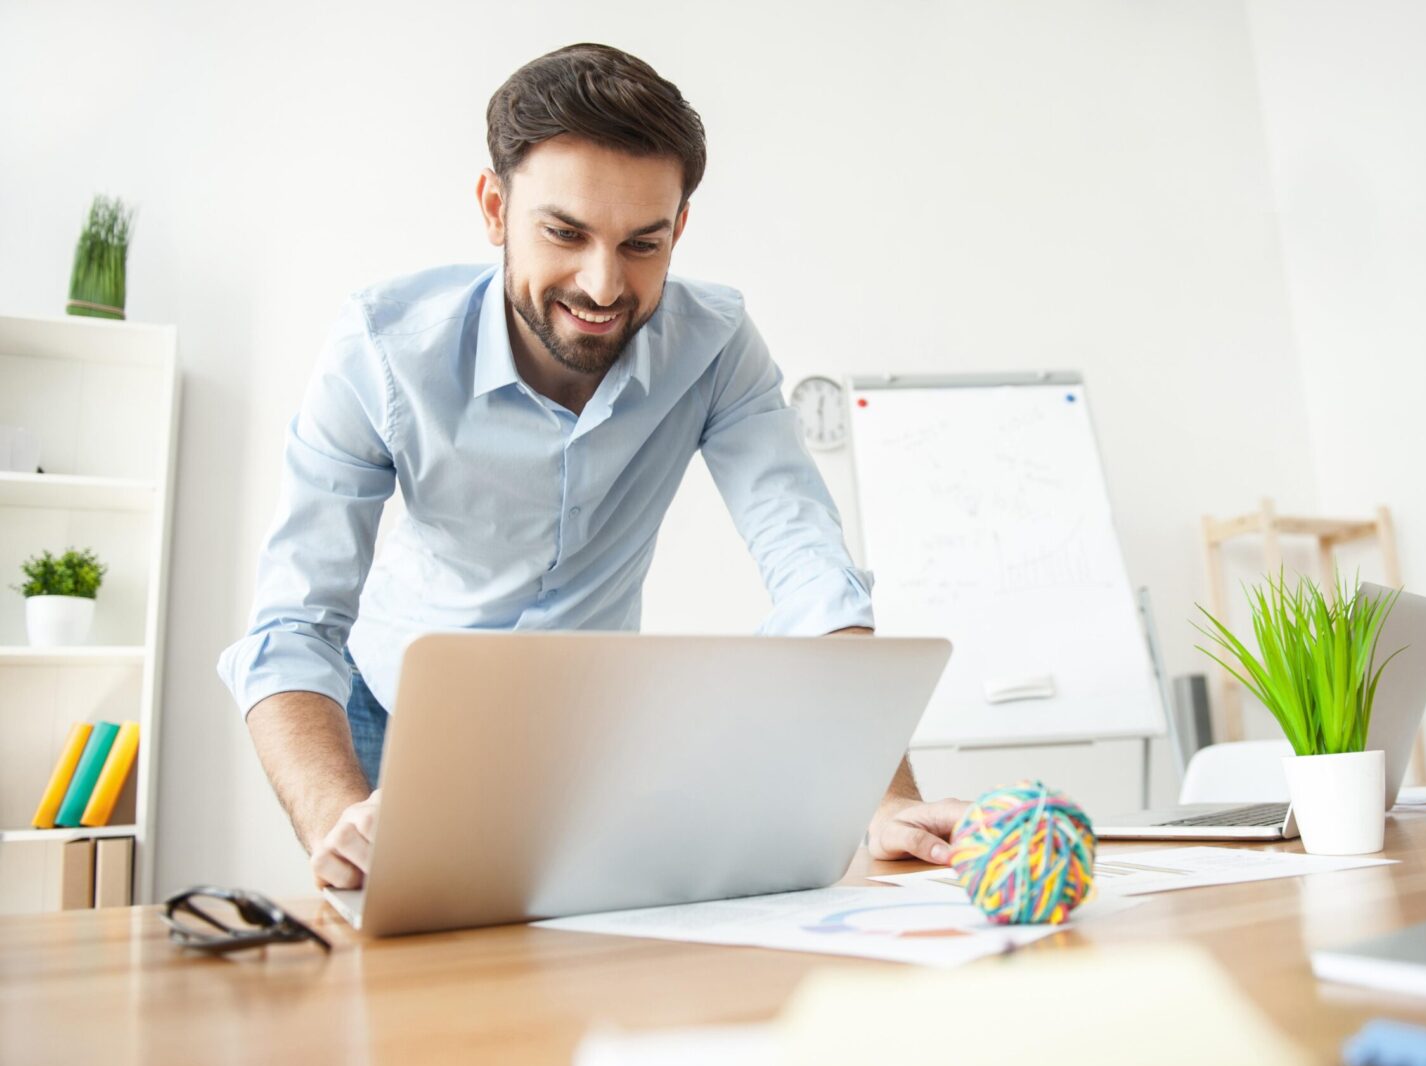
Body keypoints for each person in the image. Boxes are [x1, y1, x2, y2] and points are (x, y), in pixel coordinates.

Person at [218, 43, 967, 890]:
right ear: (494, 208)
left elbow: (809, 570)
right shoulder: (383, 349)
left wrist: (886, 798)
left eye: (642, 244)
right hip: (391, 719)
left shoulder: (716, 347)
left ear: (679, 228)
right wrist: (336, 824)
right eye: (564, 233)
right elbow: (291, 626)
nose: (603, 285)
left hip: (583, 736)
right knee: (397, 989)